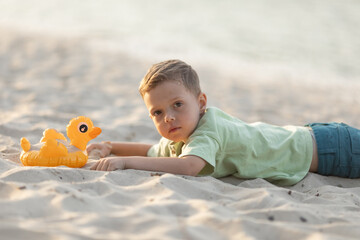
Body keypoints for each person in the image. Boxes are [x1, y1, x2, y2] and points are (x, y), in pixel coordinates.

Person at [87, 59, 360, 186]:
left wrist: (125, 162)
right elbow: (151, 152)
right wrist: (111, 147)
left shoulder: (207, 133)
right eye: (157, 113)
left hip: (332, 150)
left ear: (201, 103)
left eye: (177, 105)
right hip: (317, 139)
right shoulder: (183, 134)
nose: (168, 117)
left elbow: (189, 167)